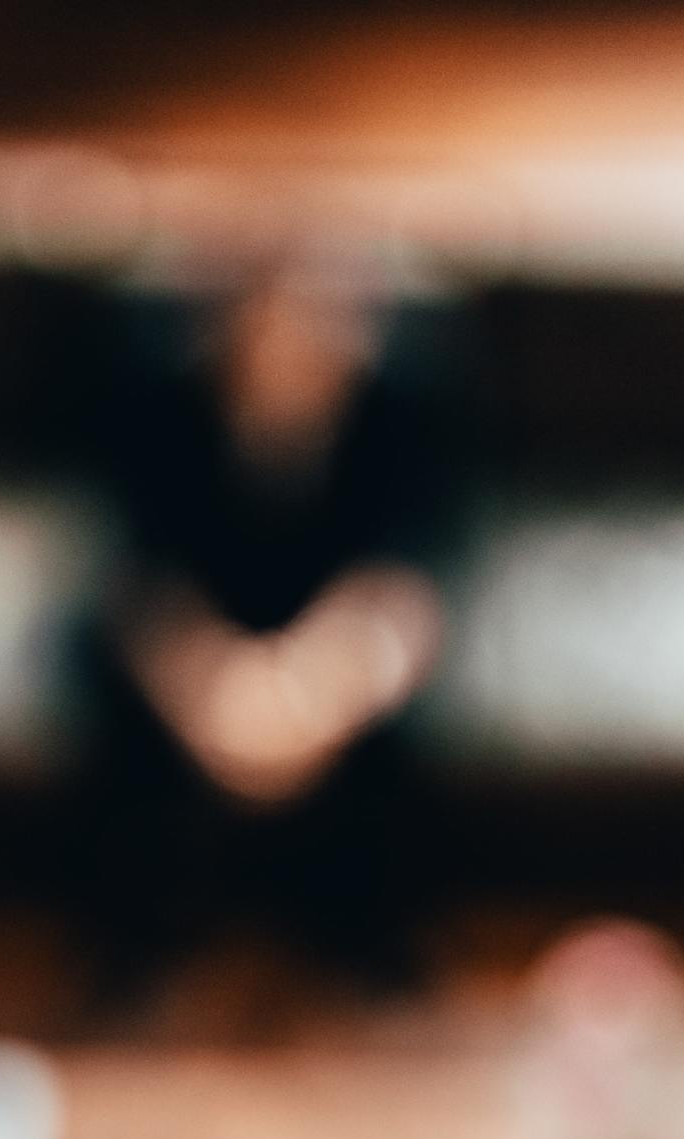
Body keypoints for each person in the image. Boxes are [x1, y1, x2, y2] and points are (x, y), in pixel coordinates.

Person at [77, 257, 458, 997]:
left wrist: (315, 695)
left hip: (336, 686)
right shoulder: (155, 408)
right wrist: (212, 696)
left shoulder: (407, 413)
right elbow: (135, 586)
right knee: (104, 697)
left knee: (413, 736)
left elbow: (413, 590)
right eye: (264, 308)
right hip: (201, 687)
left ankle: (372, 950)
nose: (289, 333)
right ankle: (137, 954)